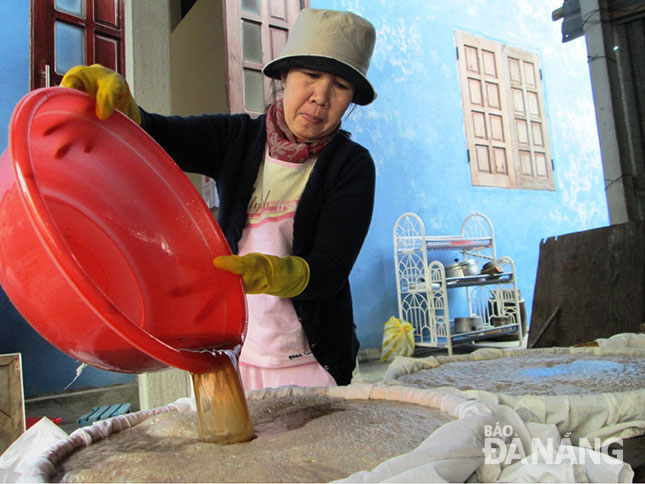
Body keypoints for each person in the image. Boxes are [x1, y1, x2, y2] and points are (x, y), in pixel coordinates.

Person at [61, 8, 377, 390]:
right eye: (311, 76)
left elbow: (330, 269)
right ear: (284, 76)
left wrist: (276, 273)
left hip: (316, 360)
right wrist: (124, 112)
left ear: (350, 100)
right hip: (240, 354)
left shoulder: (352, 166)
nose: (320, 97)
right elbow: (160, 135)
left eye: (340, 86)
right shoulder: (237, 138)